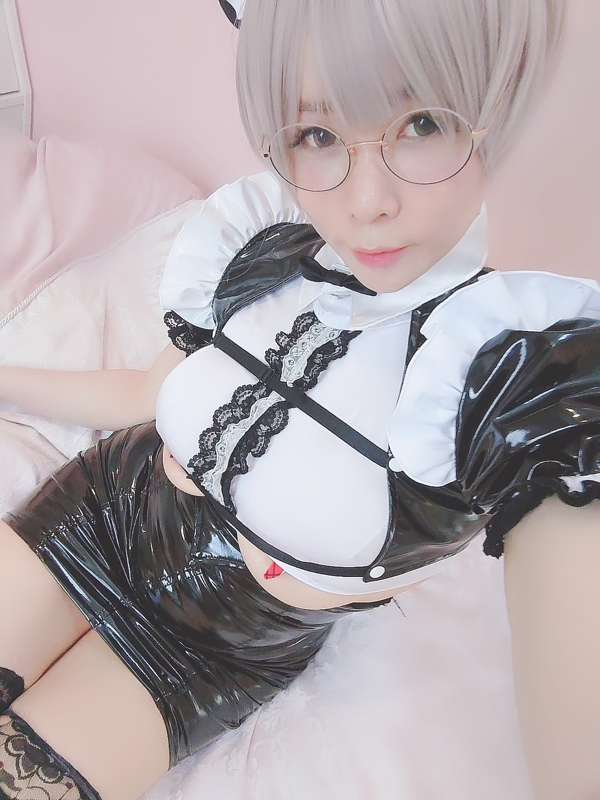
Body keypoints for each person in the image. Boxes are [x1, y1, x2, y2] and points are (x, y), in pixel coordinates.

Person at [1, 0, 598, 798]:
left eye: (422, 123)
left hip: (209, 645)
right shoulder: (267, 250)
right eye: (318, 135)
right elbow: (147, 391)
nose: (366, 200)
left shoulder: (512, 369)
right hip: (101, 513)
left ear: (495, 107)